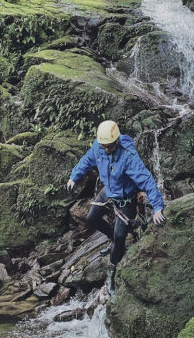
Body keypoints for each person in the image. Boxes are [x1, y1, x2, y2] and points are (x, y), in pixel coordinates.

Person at [67, 120, 165, 294]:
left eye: (109, 147)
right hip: (109, 191)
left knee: (120, 236)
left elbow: (147, 180)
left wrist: (158, 207)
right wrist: (74, 176)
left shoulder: (128, 156)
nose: (106, 150)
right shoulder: (99, 146)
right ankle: (112, 241)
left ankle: (111, 271)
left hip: (126, 198)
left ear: (117, 141)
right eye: (103, 146)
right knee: (91, 218)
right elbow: (87, 160)